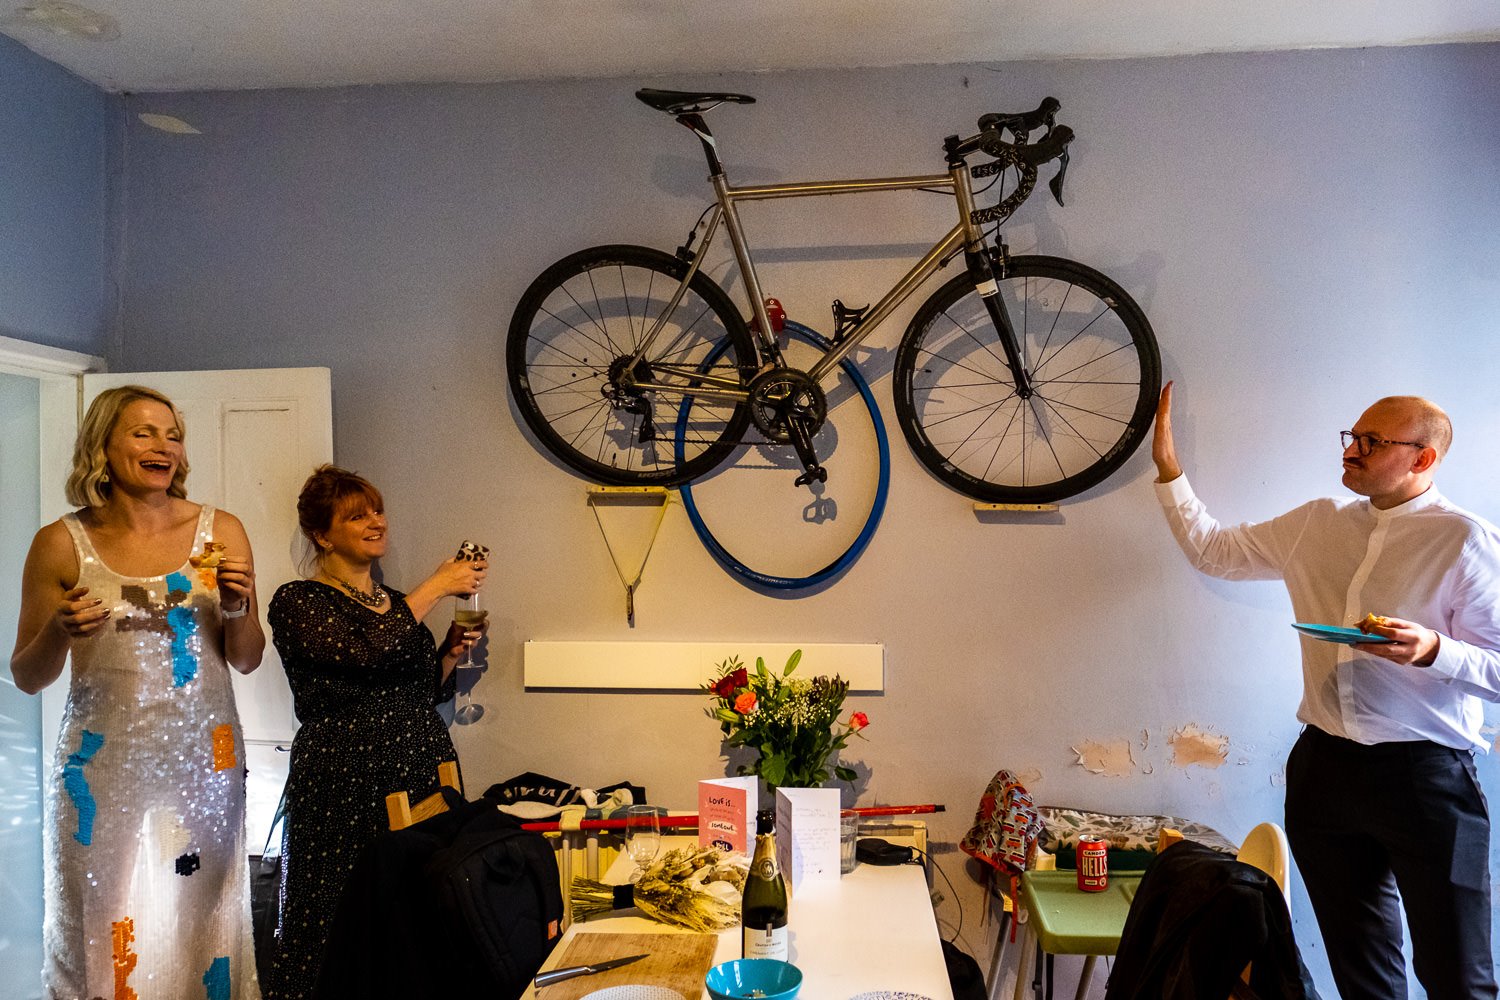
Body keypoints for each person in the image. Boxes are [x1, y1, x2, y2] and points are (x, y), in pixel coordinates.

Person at [1152, 381, 1500, 999]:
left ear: (1423, 458)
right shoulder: (1316, 523)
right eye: (1351, 437)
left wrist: (1436, 650)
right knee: (1361, 971)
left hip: (1427, 777)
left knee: (1458, 977)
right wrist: (1170, 472)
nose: (1351, 451)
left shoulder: (1464, 539)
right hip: (1324, 770)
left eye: (1371, 441)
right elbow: (1214, 551)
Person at [10, 384, 266, 998]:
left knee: (201, 925)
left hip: (206, 764)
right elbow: (27, 674)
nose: (164, 446)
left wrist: (237, 608)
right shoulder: (59, 542)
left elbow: (249, 659)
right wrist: (57, 630)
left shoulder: (217, 533)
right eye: (144, 432)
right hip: (97, 770)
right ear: (104, 444)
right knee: (92, 926)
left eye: (173, 435)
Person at [265, 465, 487, 1000]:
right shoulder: (299, 601)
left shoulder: (392, 601)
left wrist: (449, 654)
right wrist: (436, 586)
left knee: (415, 911)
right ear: (322, 534)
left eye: (377, 510)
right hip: (346, 783)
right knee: (342, 911)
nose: (375, 522)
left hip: (420, 772)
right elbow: (362, 654)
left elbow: (413, 691)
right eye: (356, 515)